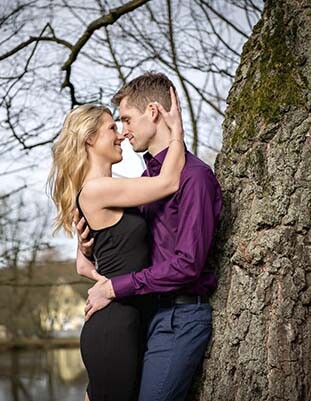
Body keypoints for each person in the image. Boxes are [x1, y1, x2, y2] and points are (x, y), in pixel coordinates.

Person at [77, 72, 222, 401]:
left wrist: (114, 287)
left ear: (154, 112)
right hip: (146, 318)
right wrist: (87, 250)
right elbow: (124, 242)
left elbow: (186, 265)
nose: (123, 131)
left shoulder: (194, 178)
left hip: (179, 317)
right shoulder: (146, 180)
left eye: (126, 120)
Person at [47, 85, 185, 401]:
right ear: (90, 140)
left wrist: (107, 282)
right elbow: (168, 181)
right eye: (112, 128)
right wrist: (176, 129)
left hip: (129, 322)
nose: (121, 135)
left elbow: (82, 264)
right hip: (114, 330)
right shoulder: (96, 190)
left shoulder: (112, 188)